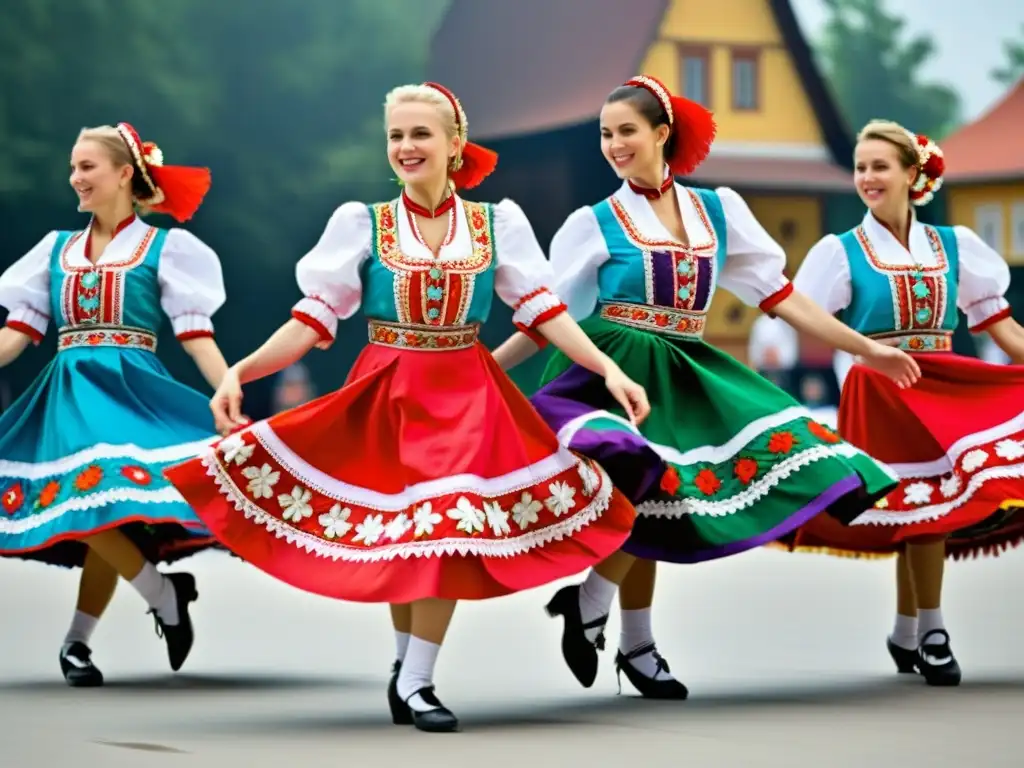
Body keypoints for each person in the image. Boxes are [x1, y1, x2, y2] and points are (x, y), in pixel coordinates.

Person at [163, 82, 648, 734]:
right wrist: (243, 371)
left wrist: (607, 367)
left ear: (455, 144)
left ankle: (416, 679)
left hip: (468, 394)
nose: (406, 147)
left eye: (420, 134)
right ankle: (408, 673)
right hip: (390, 390)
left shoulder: (494, 223)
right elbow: (311, 319)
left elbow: (544, 312)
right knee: (411, 540)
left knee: (444, 531)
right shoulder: (361, 223)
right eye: (396, 136)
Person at [491, 76, 920, 699]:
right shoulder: (594, 222)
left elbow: (780, 296)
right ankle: (605, 616)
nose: (613, 145)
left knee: (671, 498)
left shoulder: (717, 210)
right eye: (606, 134)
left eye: (626, 132)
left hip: (687, 370)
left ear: (661, 134)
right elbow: (543, 314)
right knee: (643, 482)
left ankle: (619, 631)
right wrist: (489, 370)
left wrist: (866, 347)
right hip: (613, 367)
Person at [778, 119, 1024, 687]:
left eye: (879, 166)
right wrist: (864, 353)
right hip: (881, 390)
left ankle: (910, 630)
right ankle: (932, 631)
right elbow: (800, 313)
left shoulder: (953, 245)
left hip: (941, 384)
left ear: (913, 174)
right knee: (923, 507)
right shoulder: (840, 252)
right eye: (861, 167)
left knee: (925, 509)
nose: (867, 177)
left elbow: (998, 322)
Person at [0, 123, 229, 686]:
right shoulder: (54, 251)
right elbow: (16, 334)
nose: (75, 178)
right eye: (74, 167)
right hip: (69, 393)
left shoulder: (163, 249)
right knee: (94, 499)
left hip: (130, 391)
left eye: (87, 167)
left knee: (101, 497)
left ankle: (99, 629)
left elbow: (195, 334)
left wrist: (228, 389)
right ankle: (146, 604)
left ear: (125, 174)